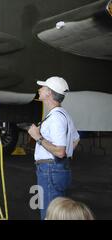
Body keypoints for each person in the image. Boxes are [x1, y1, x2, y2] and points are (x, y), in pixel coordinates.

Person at [28, 76, 80, 220]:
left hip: (50, 170)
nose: (39, 89)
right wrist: (65, 159)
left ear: (49, 93)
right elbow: (75, 139)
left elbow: (60, 151)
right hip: (58, 169)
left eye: (43, 88)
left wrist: (38, 137)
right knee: (59, 214)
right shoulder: (63, 115)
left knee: (50, 216)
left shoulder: (55, 118)